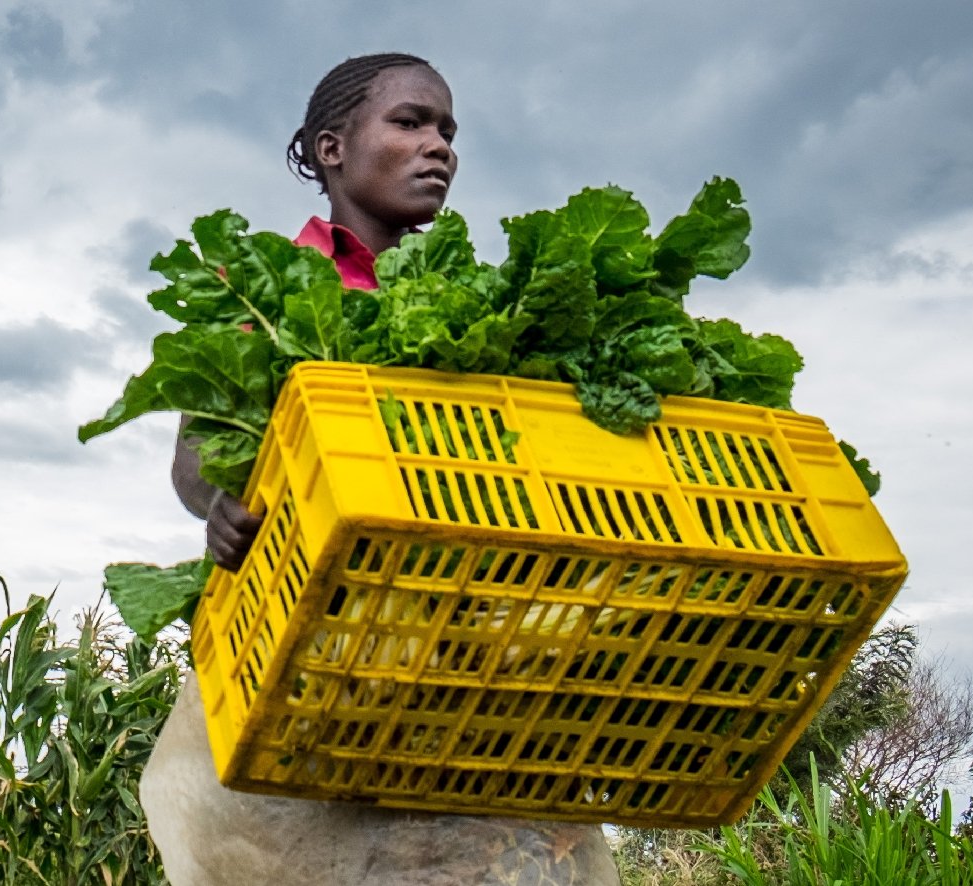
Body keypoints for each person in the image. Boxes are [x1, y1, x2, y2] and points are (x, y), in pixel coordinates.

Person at [138, 54, 624, 885]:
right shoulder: (266, 288)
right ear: (332, 148)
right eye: (410, 122)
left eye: (448, 131)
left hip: (466, 659)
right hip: (314, 651)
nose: (438, 145)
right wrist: (223, 504)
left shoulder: (481, 302)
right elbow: (195, 460)